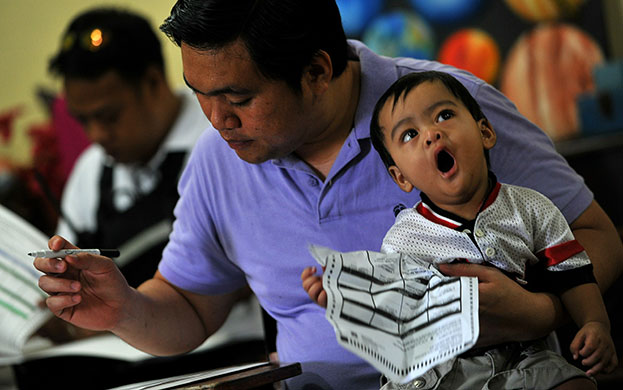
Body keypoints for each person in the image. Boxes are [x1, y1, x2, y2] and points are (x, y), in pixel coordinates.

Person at [34, 1, 623, 389]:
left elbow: (593, 236)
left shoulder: (443, 109)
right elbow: (189, 310)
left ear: (317, 70)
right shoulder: (219, 161)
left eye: (238, 99)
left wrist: (541, 311)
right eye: (200, 95)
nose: (215, 121)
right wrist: (122, 310)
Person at [302, 71, 618, 389]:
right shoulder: (404, 239)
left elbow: (573, 272)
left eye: (444, 115)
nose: (431, 134)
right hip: (443, 370)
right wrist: (346, 300)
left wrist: (595, 322)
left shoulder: (531, 207)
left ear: (485, 132)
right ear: (401, 178)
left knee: (578, 385)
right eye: (409, 134)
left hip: (528, 356)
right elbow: (397, 310)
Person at [48, 7, 208, 287]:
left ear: (153, 82)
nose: (96, 135)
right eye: (82, 120)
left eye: (109, 117)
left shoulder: (222, 141)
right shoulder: (91, 170)